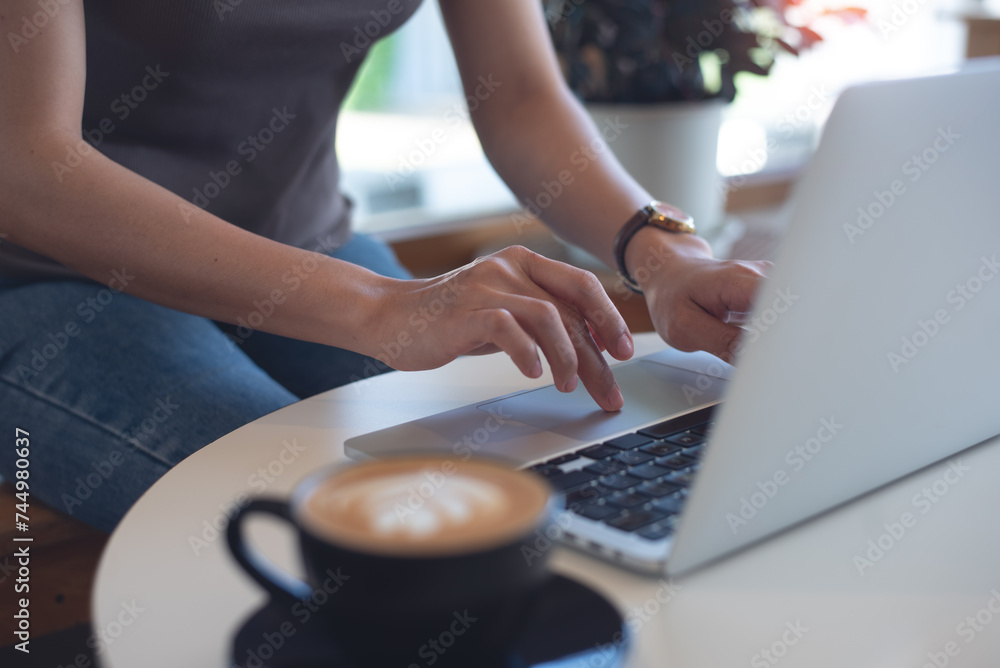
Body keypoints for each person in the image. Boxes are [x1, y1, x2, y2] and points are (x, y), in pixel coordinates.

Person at [0, 0, 769, 532]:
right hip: (46, 278)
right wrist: (381, 307)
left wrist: (664, 257)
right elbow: (27, 166)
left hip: (309, 247)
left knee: (533, 484)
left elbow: (522, 95)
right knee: (331, 523)